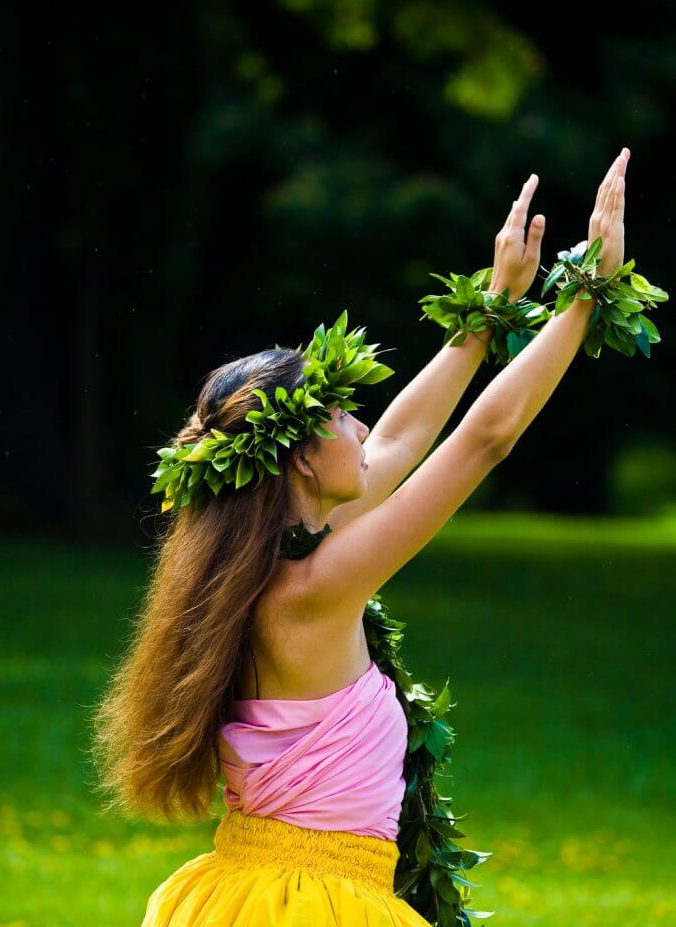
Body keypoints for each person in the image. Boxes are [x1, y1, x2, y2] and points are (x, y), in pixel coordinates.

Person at [93, 149, 629, 926]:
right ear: (304, 461)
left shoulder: (275, 561)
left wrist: (493, 305)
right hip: (315, 906)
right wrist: (589, 294)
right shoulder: (317, 590)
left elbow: (404, 438)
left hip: (247, 888)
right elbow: (486, 439)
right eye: (341, 415)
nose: (362, 425)